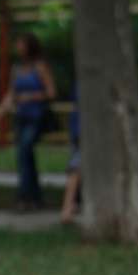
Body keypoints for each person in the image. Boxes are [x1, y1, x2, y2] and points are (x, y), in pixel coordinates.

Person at [0, 33, 57, 211]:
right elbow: (11, 95)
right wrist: (0, 113)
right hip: (21, 117)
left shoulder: (40, 67)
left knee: (25, 152)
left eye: (21, 43)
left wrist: (31, 96)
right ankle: (34, 197)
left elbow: (51, 92)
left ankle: (24, 196)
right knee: (24, 157)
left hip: (36, 117)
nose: (18, 47)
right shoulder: (17, 69)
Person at [61, 85, 80, 224]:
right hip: (84, 128)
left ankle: (70, 206)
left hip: (77, 127)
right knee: (75, 167)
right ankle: (67, 209)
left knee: (75, 167)